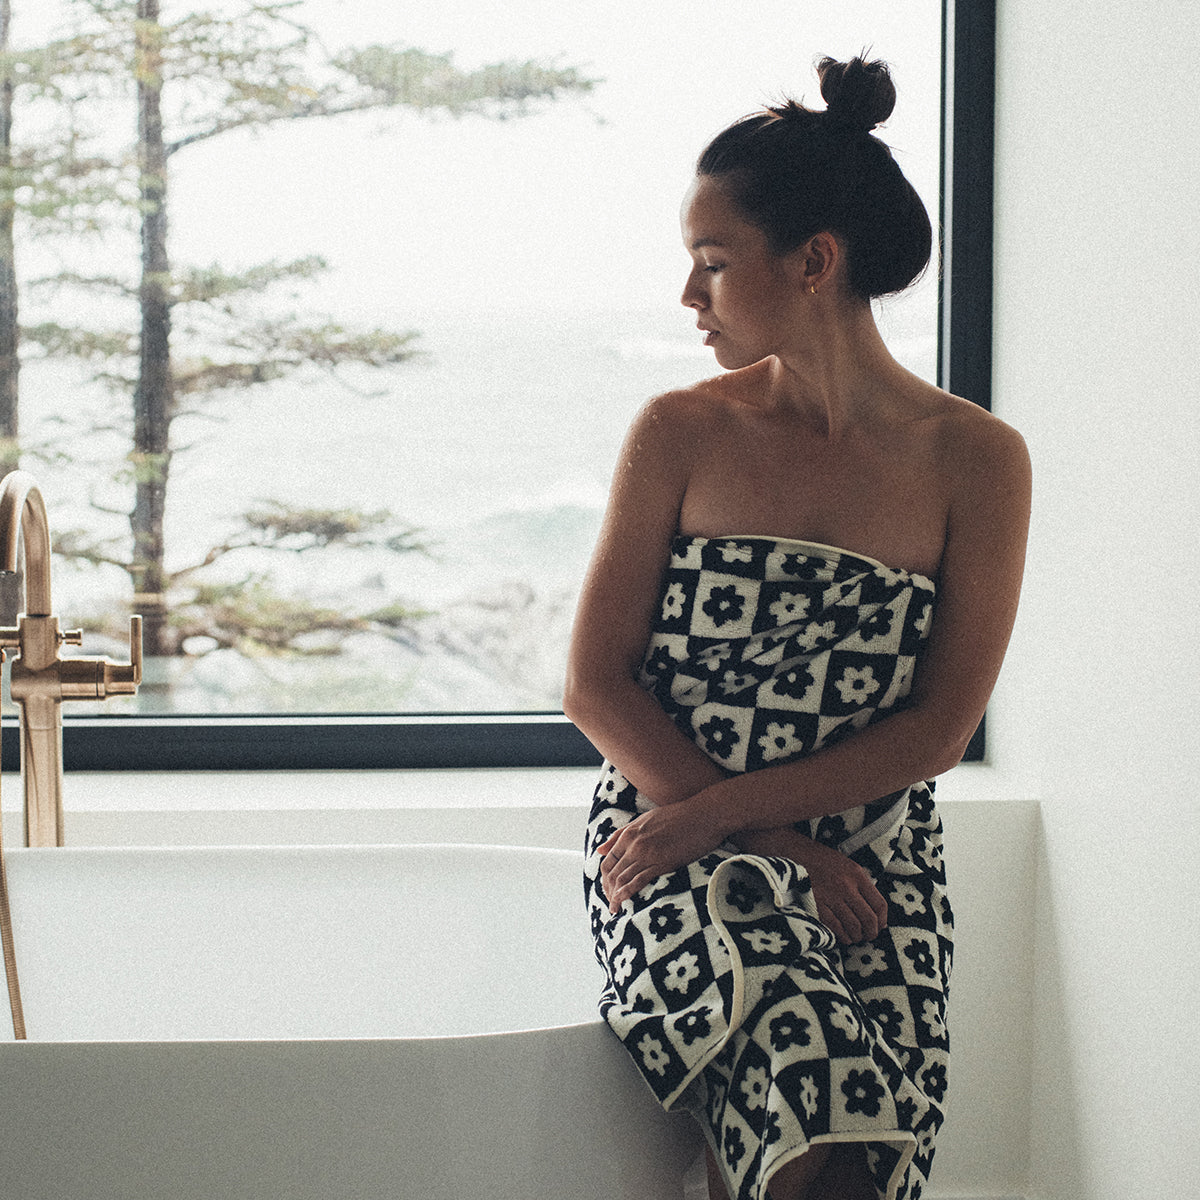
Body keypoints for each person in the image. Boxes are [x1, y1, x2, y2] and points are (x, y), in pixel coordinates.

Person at [564, 55, 1030, 1200]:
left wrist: (788, 841)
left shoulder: (977, 459)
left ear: (814, 261)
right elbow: (595, 684)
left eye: (714, 263)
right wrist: (755, 841)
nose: (690, 295)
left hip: (872, 859)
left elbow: (938, 730)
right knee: (810, 1118)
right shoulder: (679, 432)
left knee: (874, 1152)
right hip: (674, 840)